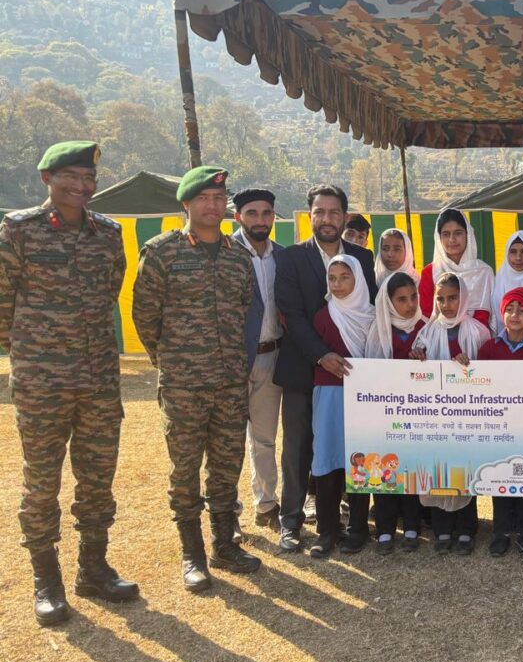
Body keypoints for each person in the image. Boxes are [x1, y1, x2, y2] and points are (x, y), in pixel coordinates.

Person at [0, 140, 138, 625]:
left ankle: (93, 569)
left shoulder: (108, 233)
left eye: (89, 178)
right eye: (71, 177)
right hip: (43, 382)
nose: (82, 186)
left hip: (98, 378)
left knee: (97, 478)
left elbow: (110, 291)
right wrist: (31, 354)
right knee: (42, 483)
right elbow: (2, 301)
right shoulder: (19, 230)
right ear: (48, 179)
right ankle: (47, 580)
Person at [133, 166, 260, 592]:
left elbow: (243, 309)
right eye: (204, 198)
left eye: (219, 199)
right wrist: (169, 361)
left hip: (230, 383)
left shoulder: (238, 256)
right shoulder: (162, 252)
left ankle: (225, 544)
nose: (212, 205)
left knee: (226, 464)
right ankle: (193, 554)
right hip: (184, 385)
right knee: (185, 468)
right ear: (186, 204)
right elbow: (144, 314)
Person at [272, 184, 377, 554]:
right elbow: (292, 315)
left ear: (345, 217)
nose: (327, 219)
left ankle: (352, 524)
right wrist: (321, 355)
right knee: (300, 449)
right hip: (305, 369)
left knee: (353, 448)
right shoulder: (290, 258)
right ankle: (292, 522)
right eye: (320, 212)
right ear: (309, 216)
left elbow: (370, 310)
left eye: (334, 212)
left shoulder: (362, 257)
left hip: (353, 376)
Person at [411, 273, 490, 555]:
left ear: (463, 297)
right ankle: (442, 529)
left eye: (453, 298)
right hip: (435, 416)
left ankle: (467, 529)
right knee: (438, 470)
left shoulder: (478, 331)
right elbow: (416, 370)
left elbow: (490, 372)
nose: (446, 305)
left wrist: (469, 366)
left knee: (464, 470)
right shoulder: (427, 331)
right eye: (441, 299)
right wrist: (418, 358)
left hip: (468, 415)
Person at [308, 255, 376, 558]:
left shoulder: (372, 316)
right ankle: (327, 530)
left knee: (360, 460)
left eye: (344, 277)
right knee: (328, 459)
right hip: (329, 395)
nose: (337, 284)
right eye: (332, 278)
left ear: (357, 279)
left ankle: (358, 528)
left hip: (364, 397)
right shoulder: (323, 316)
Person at [477, 287, 523, 557]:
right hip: (497, 426)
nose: (514, 315)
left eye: (521, 310)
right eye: (509, 309)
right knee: (500, 477)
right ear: (501, 313)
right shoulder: (489, 348)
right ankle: (502, 532)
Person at [232, 188, 284, 532]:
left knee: (264, 438)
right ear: (238, 217)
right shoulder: (224, 252)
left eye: (266, 213)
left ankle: (266, 505)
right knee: (227, 442)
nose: (260, 220)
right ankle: (227, 514)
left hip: (271, 357)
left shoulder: (284, 256)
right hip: (232, 361)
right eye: (252, 213)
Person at [365, 271, 427, 554]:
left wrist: (423, 362)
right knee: (383, 467)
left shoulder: (426, 327)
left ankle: (412, 526)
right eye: (401, 299)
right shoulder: (378, 330)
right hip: (384, 415)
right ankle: (385, 530)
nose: (410, 305)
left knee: (411, 467)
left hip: (416, 414)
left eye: (413, 297)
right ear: (388, 302)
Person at [417, 208, 493, 328]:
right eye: (446, 234)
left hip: (479, 336)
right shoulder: (430, 272)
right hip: (438, 336)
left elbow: (487, 315)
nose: (452, 240)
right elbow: (426, 315)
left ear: (468, 234)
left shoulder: (484, 272)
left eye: (458, 233)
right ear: (439, 238)